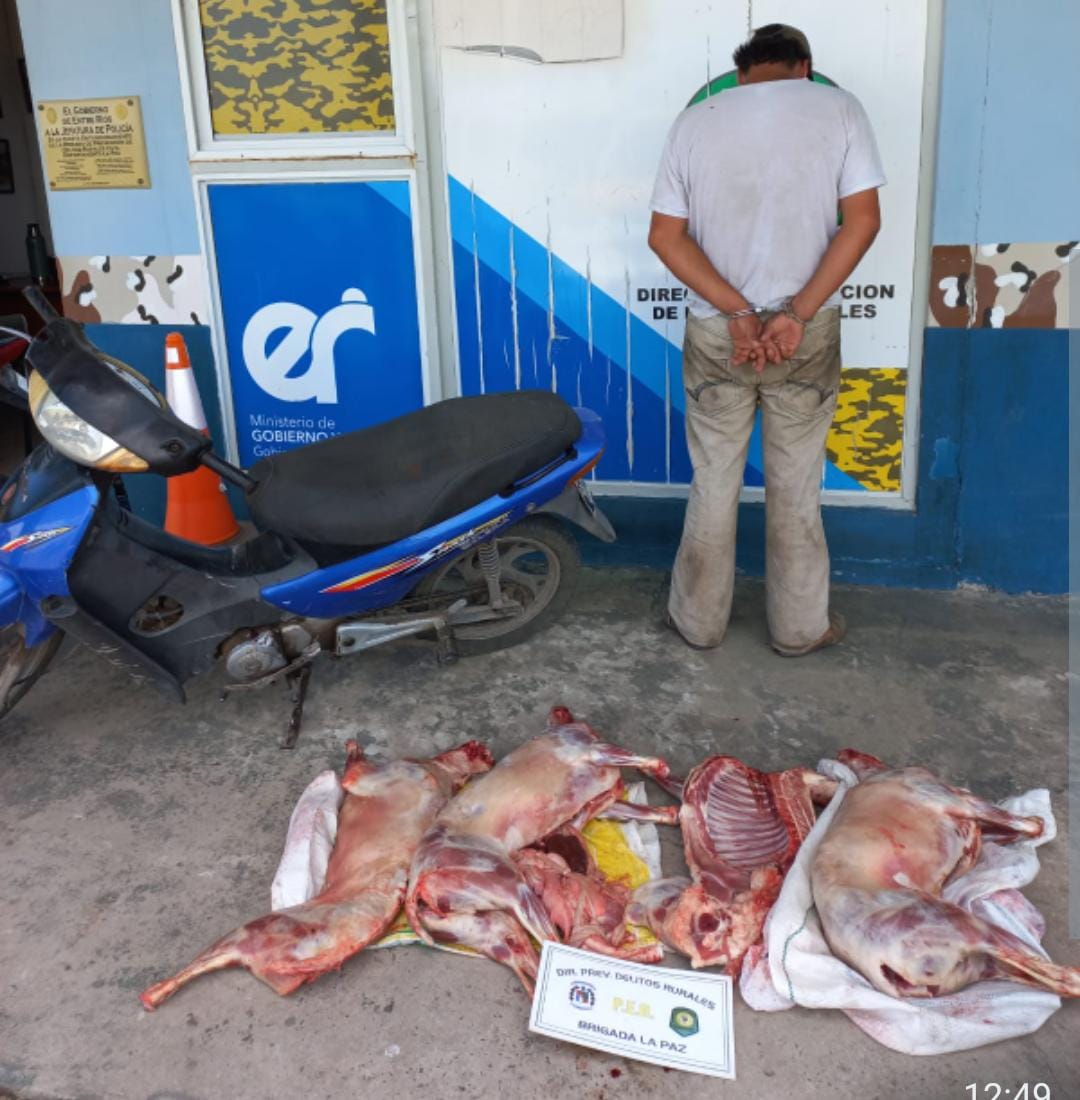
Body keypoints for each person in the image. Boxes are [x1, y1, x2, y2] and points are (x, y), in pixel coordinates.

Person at [648, 23, 885, 656]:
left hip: (718, 331)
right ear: (804, 66)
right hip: (804, 332)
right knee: (797, 484)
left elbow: (665, 237)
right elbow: (863, 223)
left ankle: (697, 623)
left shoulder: (694, 121)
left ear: (742, 71)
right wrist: (797, 313)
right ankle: (800, 629)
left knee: (713, 479)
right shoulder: (840, 109)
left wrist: (737, 311)